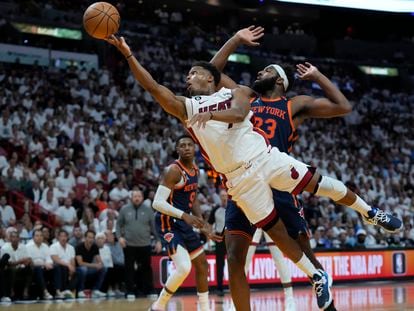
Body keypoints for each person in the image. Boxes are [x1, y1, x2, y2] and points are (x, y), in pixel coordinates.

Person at [106, 35, 402, 310]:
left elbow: (234, 108)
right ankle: (316, 276)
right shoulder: (187, 106)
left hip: (266, 158)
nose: (187, 77)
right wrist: (129, 54)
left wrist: (208, 111)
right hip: (239, 179)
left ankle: (369, 213)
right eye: (188, 75)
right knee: (265, 239)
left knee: (318, 186)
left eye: (193, 74)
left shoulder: (245, 94)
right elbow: (157, 87)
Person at [208, 26, 351, 310]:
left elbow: (343, 106)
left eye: (265, 72)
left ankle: (328, 303)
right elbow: (208, 74)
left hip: (278, 182)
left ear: (279, 80)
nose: (258, 74)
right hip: (245, 184)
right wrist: (235, 40)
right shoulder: (244, 97)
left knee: (305, 256)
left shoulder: (293, 105)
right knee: (235, 259)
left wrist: (317, 76)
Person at [151, 135, 212, 311]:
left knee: (202, 264)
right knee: (184, 267)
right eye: (182, 145)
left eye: (189, 145)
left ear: (195, 149)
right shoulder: (173, 170)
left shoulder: (195, 169)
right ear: (177, 150)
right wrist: (185, 216)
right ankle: (159, 305)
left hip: (183, 222)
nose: (186, 148)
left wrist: (202, 222)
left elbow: (193, 198)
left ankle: (205, 308)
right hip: (167, 222)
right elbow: (157, 203)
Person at [116, 190, 162, 299]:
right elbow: (118, 225)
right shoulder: (124, 209)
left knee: (146, 269)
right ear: (131, 197)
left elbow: (154, 227)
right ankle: (130, 291)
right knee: (129, 269)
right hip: (129, 244)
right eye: (135, 196)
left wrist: (158, 241)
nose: (137, 198)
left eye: (139, 196)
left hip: (145, 244)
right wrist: (119, 237)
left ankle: (149, 290)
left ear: (142, 197)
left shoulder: (148, 210)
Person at [0, 231, 32, 300]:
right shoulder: (5, 248)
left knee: (30, 267)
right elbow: (7, 263)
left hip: (21, 268)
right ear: (10, 239)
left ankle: (26, 290)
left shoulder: (23, 246)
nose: (15, 239)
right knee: (12, 269)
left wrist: (28, 261)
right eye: (13, 237)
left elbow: (28, 258)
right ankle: (11, 290)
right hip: (9, 269)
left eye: (16, 237)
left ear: (19, 239)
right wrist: (20, 261)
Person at [75, 230, 107, 298]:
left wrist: (100, 264)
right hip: (78, 269)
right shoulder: (79, 246)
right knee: (83, 269)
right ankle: (80, 290)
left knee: (104, 268)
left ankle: (96, 290)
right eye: (89, 237)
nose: (91, 239)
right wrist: (95, 265)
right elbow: (80, 263)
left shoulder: (95, 246)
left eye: (92, 238)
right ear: (85, 238)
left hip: (88, 268)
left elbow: (99, 260)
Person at [207, 189, 227, 296]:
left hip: (231, 238)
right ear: (219, 197)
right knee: (219, 264)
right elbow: (209, 224)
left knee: (235, 263)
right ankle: (219, 288)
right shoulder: (215, 209)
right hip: (219, 238)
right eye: (222, 195)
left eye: (225, 195)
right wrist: (209, 239)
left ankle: (235, 287)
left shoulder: (233, 207)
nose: (224, 197)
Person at [25, 229, 54, 300]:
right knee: (38, 269)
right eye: (37, 236)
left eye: (41, 235)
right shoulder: (27, 247)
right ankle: (45, 292)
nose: (39, 237)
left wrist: (49, 264)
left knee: (56, 267)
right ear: (33, 237)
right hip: (32, 269)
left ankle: (57, 291)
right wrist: (44, 264)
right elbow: (31, 262)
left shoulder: (45, 246)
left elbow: (49, 259)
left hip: (44, 267)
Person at [50, 229, 76, 299]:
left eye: (65, 236)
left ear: (67, 237)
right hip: (57, 267)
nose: (63, 238)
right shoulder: (53, 246)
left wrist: (72, 268)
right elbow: (55, 259)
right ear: (58, 237)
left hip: (68, 267)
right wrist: (68, 265)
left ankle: (72, 290)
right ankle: (58, 291)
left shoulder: (71, 247)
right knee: (60, 267)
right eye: (61, 236)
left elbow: (72, 260)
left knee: (80, 271)